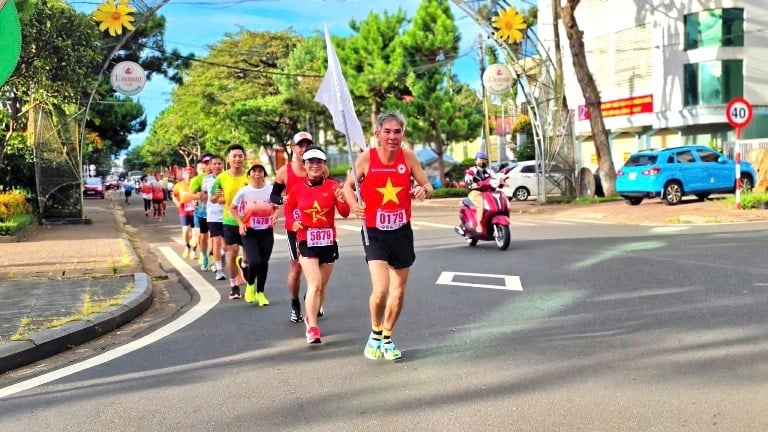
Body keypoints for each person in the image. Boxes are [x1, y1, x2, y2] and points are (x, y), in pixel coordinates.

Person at [342, 112, 432, 360]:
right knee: (381, 289)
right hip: (374, 232)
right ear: (378, 134)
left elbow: (427, 185)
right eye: (388, 132)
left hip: (401, 232)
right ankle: (375, 332)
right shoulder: (366, 158)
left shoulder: (409, 157)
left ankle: (387, 337)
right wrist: (353, 205)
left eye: (397, 132)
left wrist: (423, 190)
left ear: (403, 134)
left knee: (398, 292)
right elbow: (347, 186)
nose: (392, 136)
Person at [285, 147, 349, 343]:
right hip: (306, 241)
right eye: (311, 162)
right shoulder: (296, 189)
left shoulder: (332, 186)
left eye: (319, 162)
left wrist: (342, 199)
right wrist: (293, 224)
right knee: (314, 283)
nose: (315, 165)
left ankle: (309, 315)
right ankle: (312, 326)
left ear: (324, 166)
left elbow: (345, 212)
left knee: (321, 286)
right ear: (304, 165)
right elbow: (288, 213)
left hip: (328, 241)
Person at [269, 131, 320, 323]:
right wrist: (284, 199)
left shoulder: (318, 169)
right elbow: (273, 196)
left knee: (319, 266)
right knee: (297, 267)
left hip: (317, 224)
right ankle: (295, 304)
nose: (304, 148)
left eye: (308, 144)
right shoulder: (285, 171)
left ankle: (313, 299)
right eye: (300, 145)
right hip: (295, 226)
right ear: (293, 148)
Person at [230, 163, 279, 306]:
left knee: (264, 263)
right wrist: (240, 223)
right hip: (249, 232)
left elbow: (276, 208)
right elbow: (232, 209)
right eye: (254, 171)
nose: (257, 174)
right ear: (249, 174)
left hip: (266, 231)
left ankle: (261, 293)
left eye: (260, 171)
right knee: (255, 261)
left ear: (264, 174)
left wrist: (275, 216)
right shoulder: (244, 192)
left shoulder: (271, 190)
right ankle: (251, 284)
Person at [211, 144, 249, 300]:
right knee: (231, 252)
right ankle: (234, 286)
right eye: (234, 156)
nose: (237, 159)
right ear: (228, 158)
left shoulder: (250, 176)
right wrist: (219, 196)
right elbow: (213, 198)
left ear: (244, 157)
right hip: (229, 220)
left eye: (240, 156)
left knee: (249, 258)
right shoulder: (221, 178)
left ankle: (245, 265)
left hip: (248, 221)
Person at [204, 155, 226, 280]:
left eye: (219, 163)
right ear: (211, 166)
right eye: (215, 164)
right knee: (216, 242)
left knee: (227, 247)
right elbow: (204, 193)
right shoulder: (206, 180)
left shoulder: (227, 178)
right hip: (213, 216)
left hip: (227, 215)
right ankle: (219, 270)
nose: (217, 166)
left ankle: (220, 258)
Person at [190, 155, 213, 270]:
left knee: (215, 237)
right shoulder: (197, 179)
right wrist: (197, 197)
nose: (208, 165)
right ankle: (204, 256)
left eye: (210, 162)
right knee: (203, 236)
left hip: (217, 213)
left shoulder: (221, 176)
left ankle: (213, 257)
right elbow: (192, 195)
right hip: (202, 212)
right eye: (206, 163)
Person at [463, 151, 494, 232]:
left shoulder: (489, 171)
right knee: (480, 205)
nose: (482, 161)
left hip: (488, 193)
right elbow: (468, 179)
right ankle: (478, 224)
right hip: (475, 192)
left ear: (486, 161)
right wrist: (471, 184)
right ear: (476, 161)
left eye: (484, 159)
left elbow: (496, 177)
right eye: (480, 159)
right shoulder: (472, 170)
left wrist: (501, 180)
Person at [171, 167, 196, 257]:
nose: (188, 175)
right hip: (183, 210)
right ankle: (187, 246)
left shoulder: (196, 184)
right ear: (183, 174)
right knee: (185, 230)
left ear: (193, 174)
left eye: (190, 173)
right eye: (186, 173)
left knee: (195, 232)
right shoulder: (179, 185)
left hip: (195, 210)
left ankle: (194, 249)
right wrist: (177, 203)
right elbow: (173, 195)